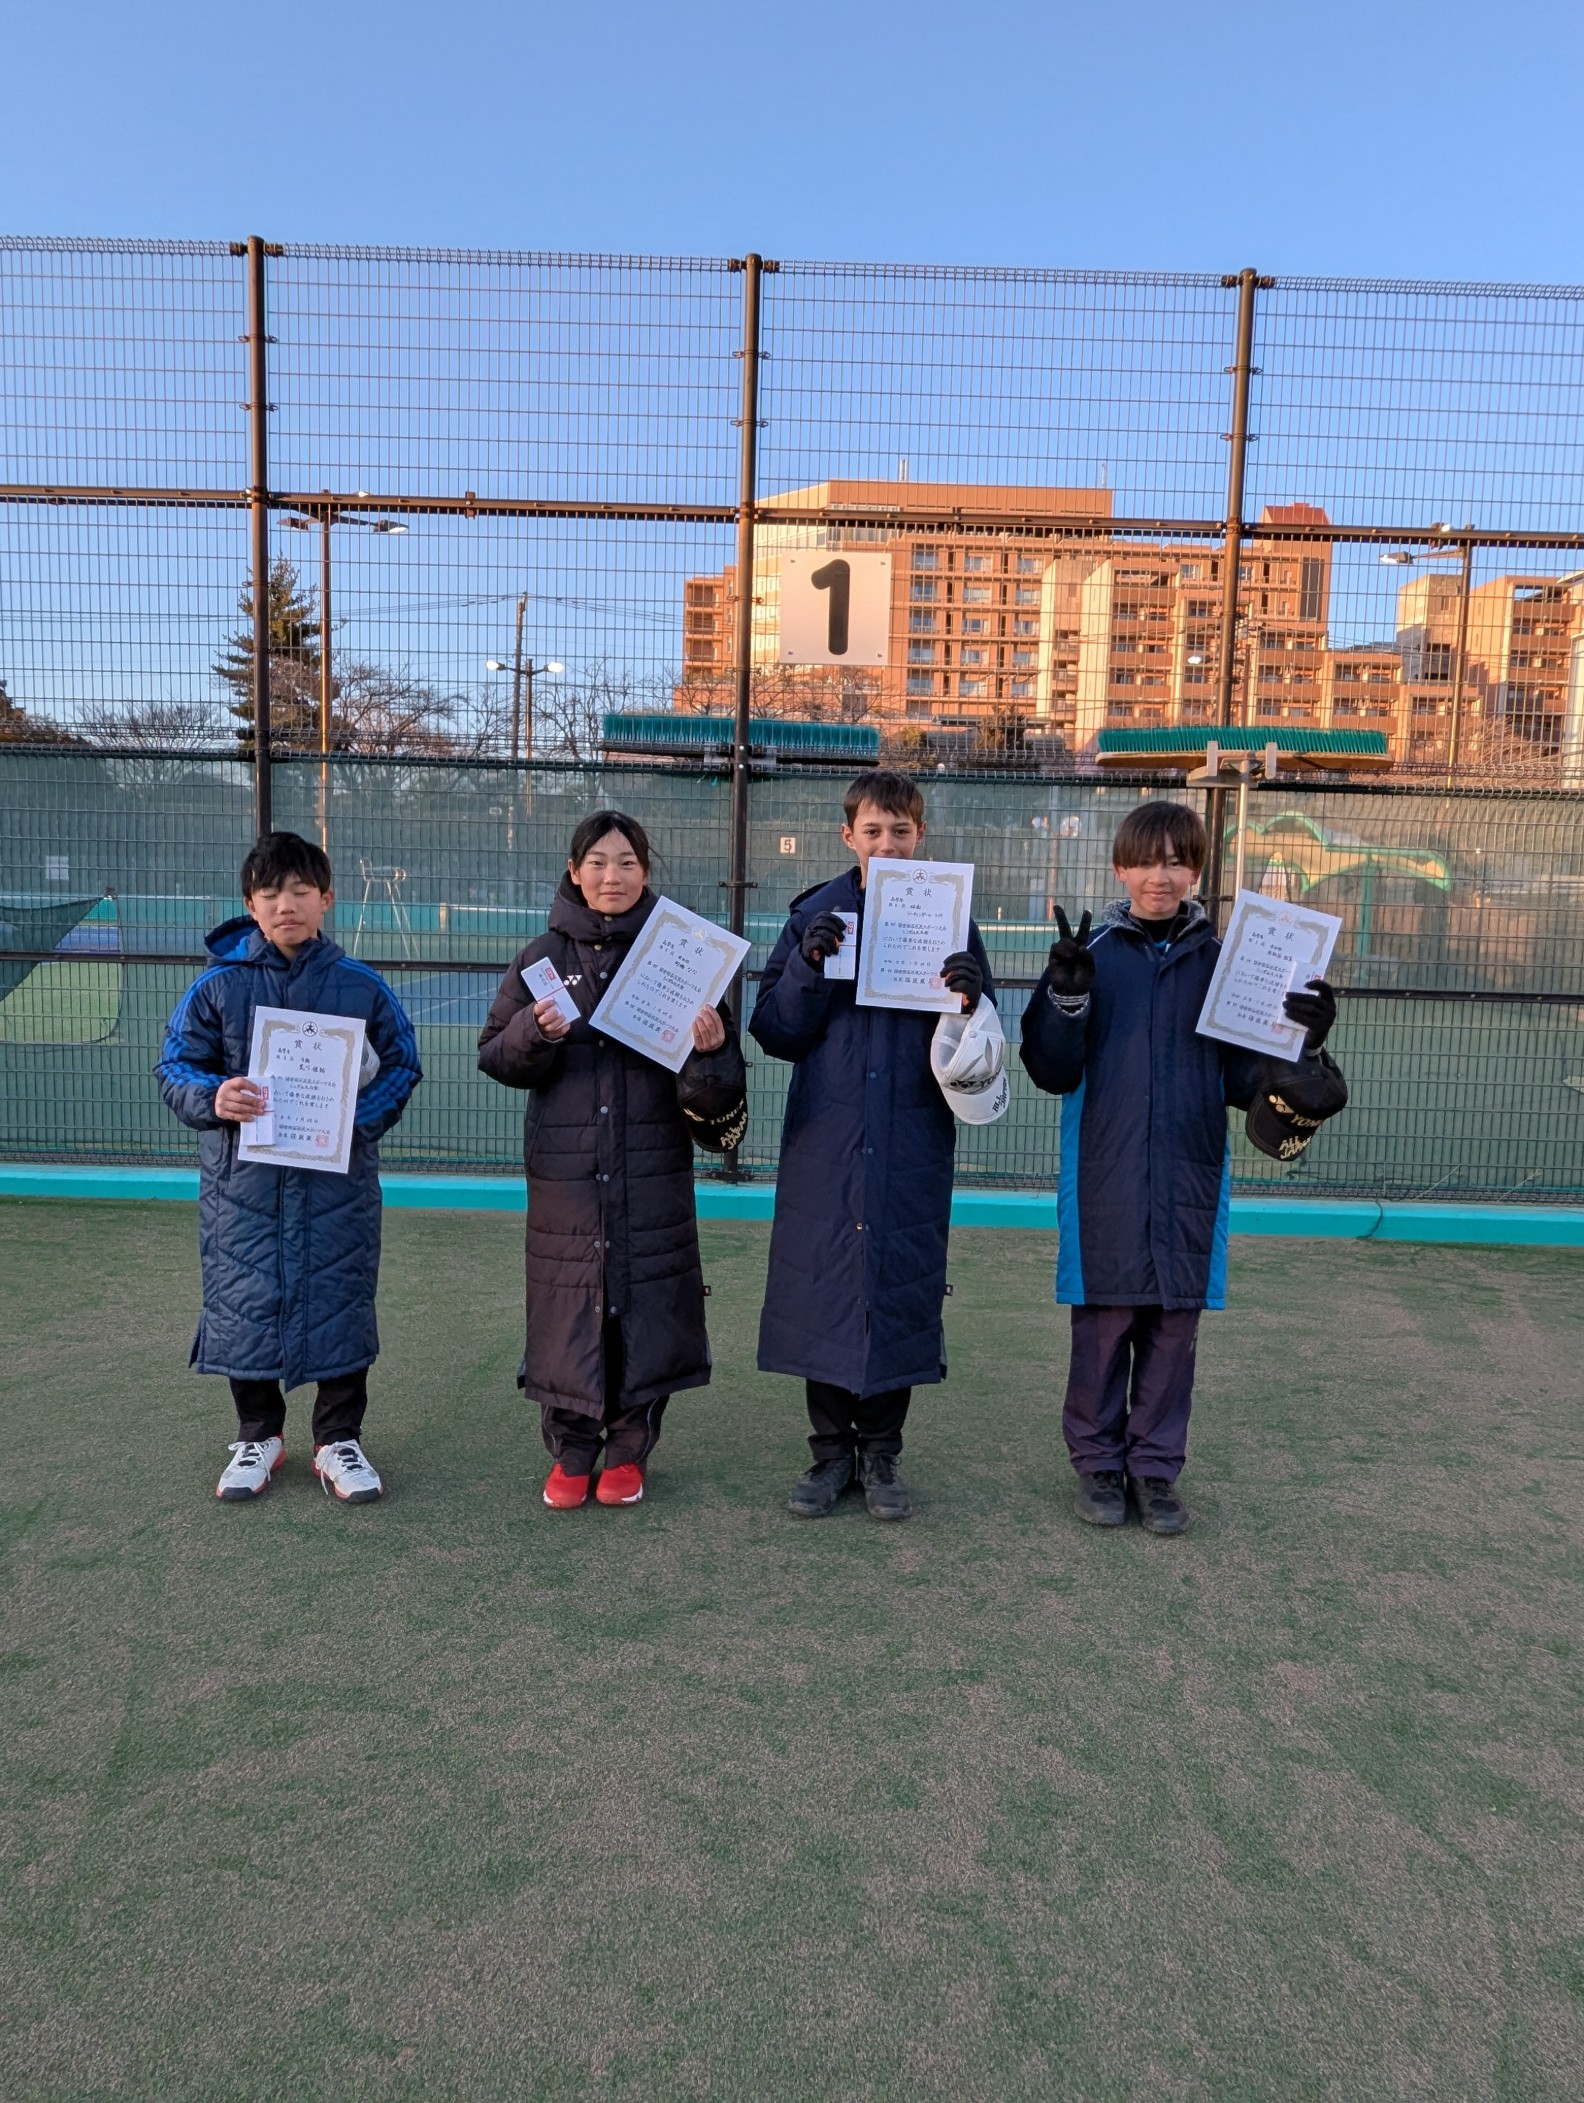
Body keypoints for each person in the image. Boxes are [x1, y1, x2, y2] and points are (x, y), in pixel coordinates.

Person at [1019, 800, 1340, 1536]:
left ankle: (1155, 1472)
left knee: (1172, 1328)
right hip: (1103, 1172)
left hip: (1192, 1170)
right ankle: (1098, 1465)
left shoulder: (1229, 962)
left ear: (1196, 869)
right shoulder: (1090, 954)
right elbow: (1050, 1070)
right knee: (1104, 1324)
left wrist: (1305, 1041)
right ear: (1119, 868)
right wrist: (1066, 997)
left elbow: (1247, 1083)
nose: (1159, 877)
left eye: (1175, 861)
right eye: (1144, 861)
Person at [478, 811, 747, 1511]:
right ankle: (571, 1448)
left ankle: (629, 1447)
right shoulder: (539, 957)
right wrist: (531, 1032)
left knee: (646, 1299)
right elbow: (495, 1056)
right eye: (597, 862)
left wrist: (713, 1049)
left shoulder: (684, 954)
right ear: (574, 872)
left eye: (626, 862)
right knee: (569, 1301)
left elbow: (716, 1091)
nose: (612, 875)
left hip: (651, 1165)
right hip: (566, 1175)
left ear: (645, 872)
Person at [751, 769, 993, 1522]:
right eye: (874, 830)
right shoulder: (812, 916)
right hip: (828, 1134)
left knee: (898, 1284)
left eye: (902, 830)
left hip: (912, 1131)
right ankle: (830, 1453)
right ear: (848, 835)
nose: (888, 843)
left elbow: (977, 1034)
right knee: (825, 1285)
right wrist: (807, 967)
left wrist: (971, 996)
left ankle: (881, 1452)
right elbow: (774, 1031)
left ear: (921, 835)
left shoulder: (951, 917)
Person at [157, 831, 423, 1505]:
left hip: (338, 1185)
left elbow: (402, 1063)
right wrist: (215, 1096)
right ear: (250, 903)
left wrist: (354, 1122)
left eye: (301, 891)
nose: (287, 905)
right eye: (271, 893)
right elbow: (176, 1066)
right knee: (244, 1299)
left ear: (326, 899)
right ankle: (258, 1435)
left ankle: (338, 1439)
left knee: (340, 1299)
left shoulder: (361, 985)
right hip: (240, 1189)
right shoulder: (217, 986)